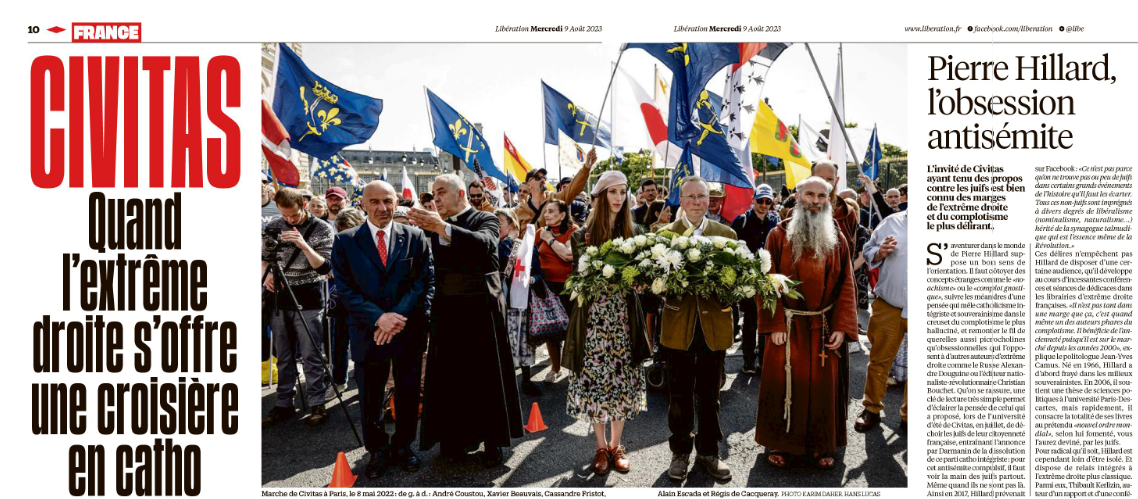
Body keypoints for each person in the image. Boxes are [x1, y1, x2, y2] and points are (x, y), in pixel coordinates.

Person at [407, 174, 524, 468]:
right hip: (448, 312)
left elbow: (485, 246)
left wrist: (443, 227)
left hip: (481, 312)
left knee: (486, 377)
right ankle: (454, 439)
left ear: (460, 193)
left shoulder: (485, 219)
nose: (436, 199)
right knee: (451, 378)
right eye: (433, 194)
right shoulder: (433, 228)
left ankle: (493, 440)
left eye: (441, 192)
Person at [331, 181, 434, 478]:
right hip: (368, 332)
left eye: (388, 201)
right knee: (370, 395)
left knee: (408, 391)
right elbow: (345, 288)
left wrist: (396, 317)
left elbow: (423, 281)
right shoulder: (346, 240)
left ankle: (403, 446)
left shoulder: (415, 237)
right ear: (362, 204)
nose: (382, 208)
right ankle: (376, 450)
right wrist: (379, 318)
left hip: (406, 330)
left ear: (396, 201)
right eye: (374, 201)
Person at [756, 176, 858, 470]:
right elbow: (766, 281)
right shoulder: (777, 235)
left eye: (821, 196)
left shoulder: (837, 237)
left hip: (824, 325)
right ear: (798, 197)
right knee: (784, 385)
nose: (815, 201)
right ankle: (781, 443)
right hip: (787, 326)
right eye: (809, 195)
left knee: (822, 389)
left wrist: (842, 325)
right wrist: (774, 324)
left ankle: (821, 445)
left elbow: (846, 284)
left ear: (830, 200)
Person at [562, 170, 651, 475]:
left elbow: (642, 277)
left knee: (622, 383)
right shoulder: (581, 236)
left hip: (624, 321)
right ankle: (600, 447)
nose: (618, 197)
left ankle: (616, 446)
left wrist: (641, 282)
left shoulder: (635, 232)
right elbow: (576, 279)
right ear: (600, 197)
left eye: (623, 191)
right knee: (596, 384)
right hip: (593, 321)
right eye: (612, 192)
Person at [655, 177, 737, 481]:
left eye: (702, 196)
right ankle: (680, 452)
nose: (697, 202)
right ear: (681, 200)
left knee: (710, 393)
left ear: (710, 199)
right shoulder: (664, 235)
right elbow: (656, 287)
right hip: (679, 326)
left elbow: (736, 283)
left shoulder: (726, 234)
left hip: (713, 327)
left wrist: (725, 285)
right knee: (678, 394)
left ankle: (708, 451)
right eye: (690, 197)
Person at [262, 188, 336, 428]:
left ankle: (317, 401)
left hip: (309, 296)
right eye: (285, 216)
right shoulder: (274, 224)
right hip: (279, 296)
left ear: (304, 206)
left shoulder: (322, 228)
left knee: (311, 353)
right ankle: (284, 402)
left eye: (293, 215)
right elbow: (263, 257)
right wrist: (265, 276)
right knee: (283, 355)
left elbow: (324, 268)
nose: (289, 220)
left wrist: (304, 245)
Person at [855, 211, 908, 432]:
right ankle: (872, 409)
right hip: (889, 306)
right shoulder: (891, 222)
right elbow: (867, 251)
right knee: (879, 361)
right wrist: (879, 252)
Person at [730, 184, 781, 375]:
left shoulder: (776, 221)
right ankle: (748, 361)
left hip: (768, 278)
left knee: (766, 321)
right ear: (753, 200)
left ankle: (763, 360)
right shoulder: (741, 221)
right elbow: (732, 249)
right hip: (748, 279)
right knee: (751, 321)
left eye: (768, 201)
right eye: (760, 200)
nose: (764, 205)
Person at [496, 208, 544, 396]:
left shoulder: (527, 248)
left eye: (500, 222)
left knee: (524, 343)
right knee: (503, 343)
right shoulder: (494, 246)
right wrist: (508, 242)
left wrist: (531, 280)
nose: (496, 226)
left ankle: (526, 379)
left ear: (512, 225)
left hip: (521, 302)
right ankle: (504, 381)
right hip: (500, 302)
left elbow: (539, 274)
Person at [535, 199, 577, 384]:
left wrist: (548, 239)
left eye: (551, 211)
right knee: (551, 329)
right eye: (545, 212)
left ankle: (575, 369)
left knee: (571, 329)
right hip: (546, 287)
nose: (546, 215)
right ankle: (555, 368)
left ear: (562, 215)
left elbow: (568, 255)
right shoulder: (540, 232)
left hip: (568, 287)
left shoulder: (573, 231)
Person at [327, 209, 366, 393]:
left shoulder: (370, 241)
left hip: (366, 301)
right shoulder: (339, 242)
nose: (346, 234)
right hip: (343, 300)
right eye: (342, 230)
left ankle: (364, 382)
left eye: (350, 229)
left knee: (365, 345)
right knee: (339, 342)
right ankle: (339, 380)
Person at [515, 149, 597, 227]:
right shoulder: (520, 211)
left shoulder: (555, 199)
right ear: (529, 185)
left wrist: (586, 167)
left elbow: (573, 188)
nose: (543, 179)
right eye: (538, 177)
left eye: (544, 177)